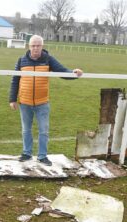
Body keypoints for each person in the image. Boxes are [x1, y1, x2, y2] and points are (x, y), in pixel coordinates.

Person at [9, 34, 83, 166]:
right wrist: (12, 99)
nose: (35, 48)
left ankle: (42, 156)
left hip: (42, 103)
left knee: (43, 130)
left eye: (38, 46)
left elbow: (62, 71)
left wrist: (74, 73)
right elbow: (15, 80)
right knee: (26, 129)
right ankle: (27, 153)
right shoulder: (21, 60)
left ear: (42, 46)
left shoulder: (48, 59)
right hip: (24, 102)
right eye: (33, 46)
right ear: (29, 46)